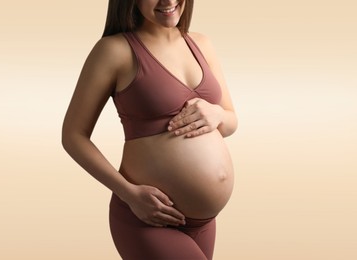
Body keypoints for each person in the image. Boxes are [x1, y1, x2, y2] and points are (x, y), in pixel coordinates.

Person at [62, 0, 237, 259]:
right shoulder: (114, 51)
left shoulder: (201, 43)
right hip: (147, 218)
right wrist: (128, 193)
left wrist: (217, 114)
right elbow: (73, 136)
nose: (167, 1)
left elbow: (231, 121)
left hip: (204, 223)